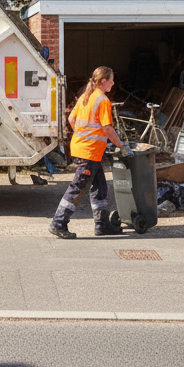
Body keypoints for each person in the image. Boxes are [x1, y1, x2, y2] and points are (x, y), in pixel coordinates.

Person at [49, 66, 133, 239]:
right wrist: (120, 145)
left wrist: (84, 135)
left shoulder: (86, 98)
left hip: (85, 150)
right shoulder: (102, 100)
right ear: (103, 81)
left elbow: (72, 119)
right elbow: (107, 128)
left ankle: (102, 225)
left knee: (100, 187)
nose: (113, 82)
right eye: (111, 79)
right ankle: (58, 223)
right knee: (77, 188)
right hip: (89, 152)